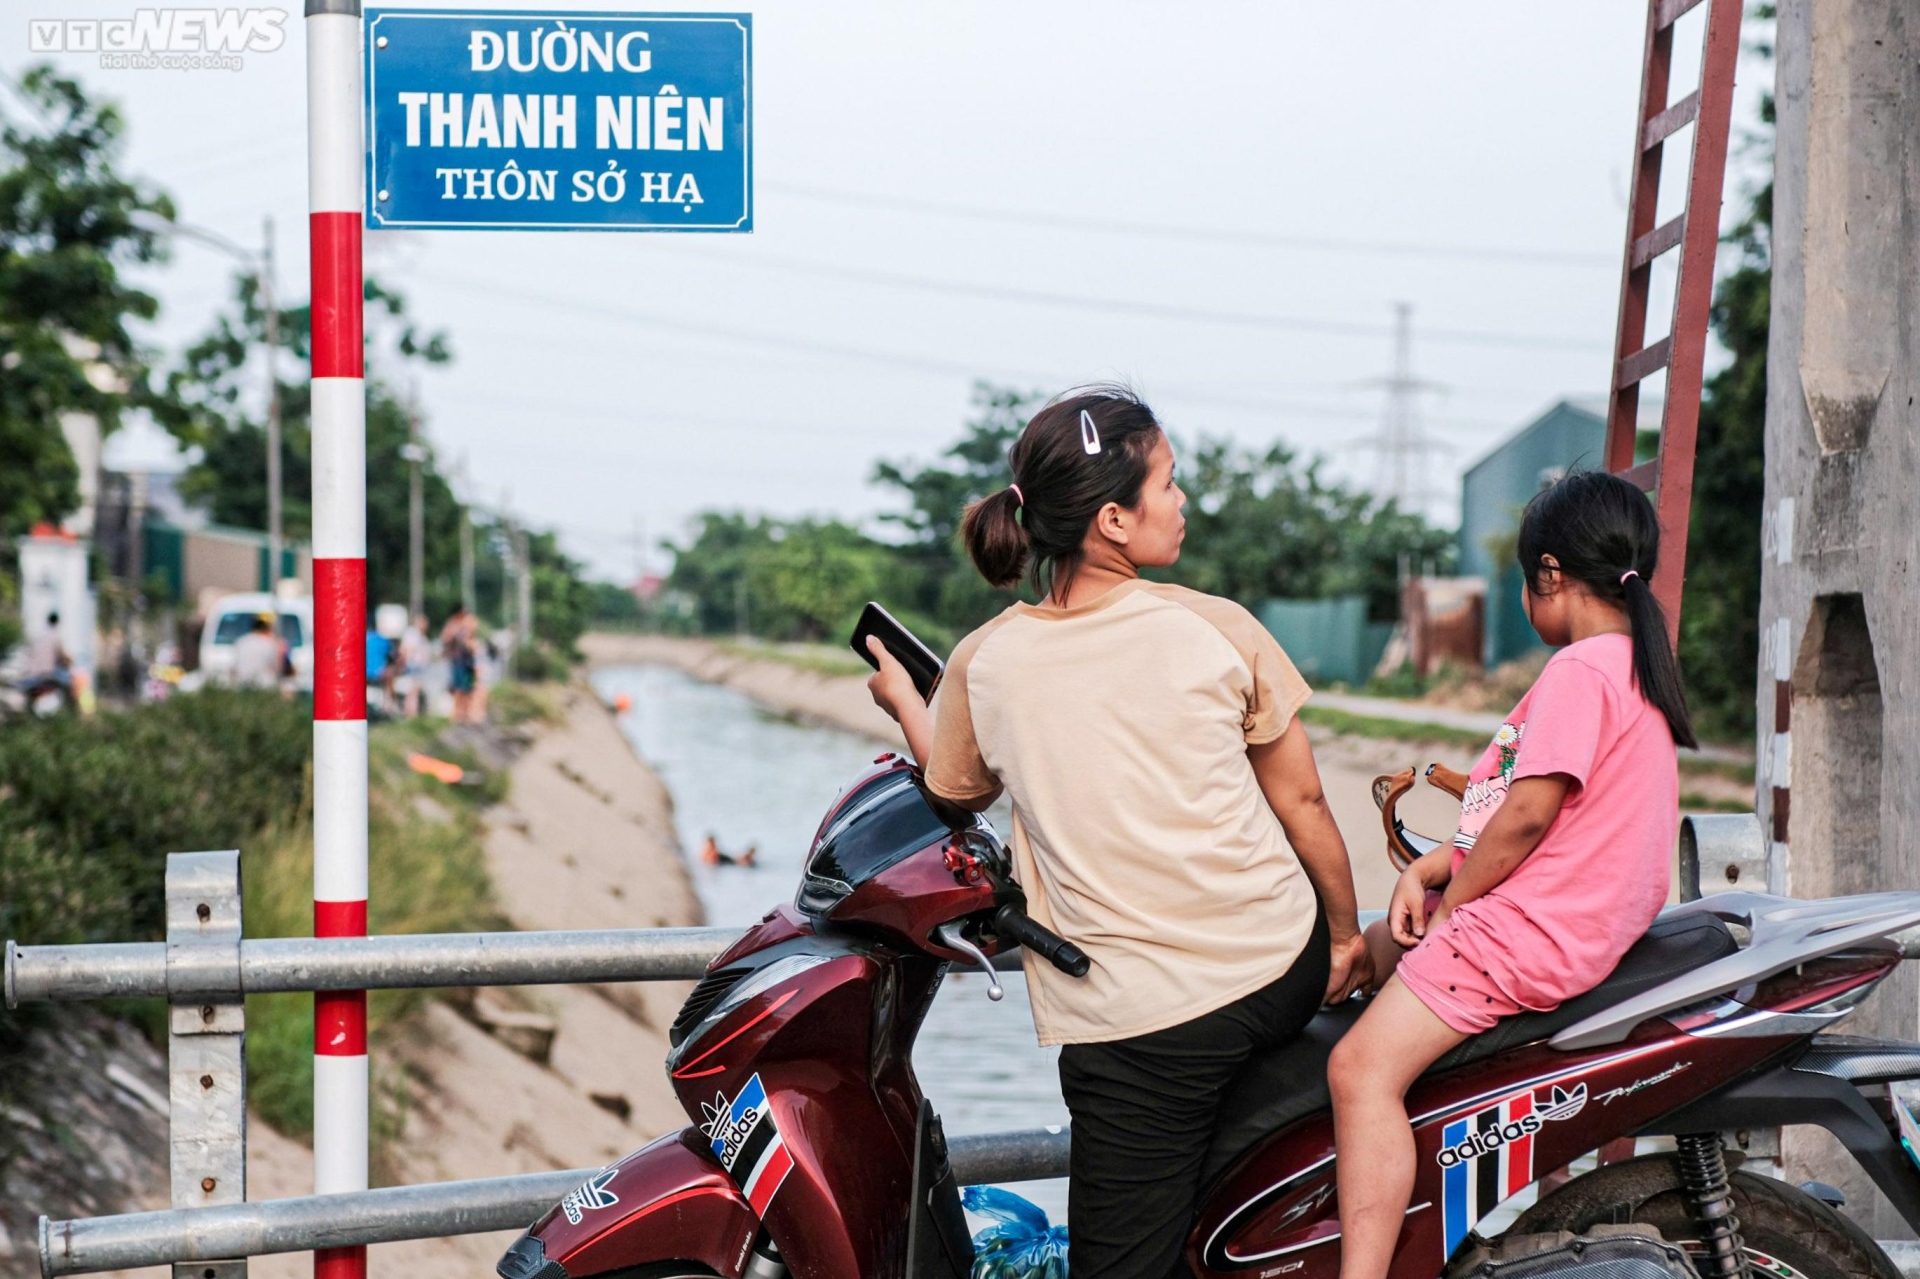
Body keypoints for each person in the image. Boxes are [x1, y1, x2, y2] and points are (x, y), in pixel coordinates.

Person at [865, 385, 1371, 1279]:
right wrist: (1339, 938)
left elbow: (956, 790)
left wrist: (910, 701)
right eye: (1170, 485)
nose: (1183, 503)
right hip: (1277, 961)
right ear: (1112, 520)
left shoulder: (986, 662)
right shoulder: (1219, 628)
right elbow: (1306, 809)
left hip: (1142, 1025)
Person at [1326, 470, 1698, 1279]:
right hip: (1574, 923)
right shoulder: (1632, 667)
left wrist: (1454, 903)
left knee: (1357, 1070)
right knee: (1369, 951)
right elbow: (1529, 819)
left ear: (1552, 575)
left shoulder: (1579, 670)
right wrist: (1433, 871)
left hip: (1528, 932)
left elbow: (1528, 815)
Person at [443, 607, 478, 722]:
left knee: (467, 689)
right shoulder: (454, 628)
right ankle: (458, 713)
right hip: (459, 662)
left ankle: (465, 713)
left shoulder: (468, 634)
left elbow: (472, 648)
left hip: (467, 664)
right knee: (458, 689)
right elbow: (446, 638)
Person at [231, 614, 282, 690]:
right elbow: (277, 668)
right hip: (263, 687)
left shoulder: (241, 642)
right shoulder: (270, 644)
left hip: (242, 685)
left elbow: (234, 668)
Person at [397, 614, 431, 718]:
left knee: (414, 690)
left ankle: (411, 711)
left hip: (417, 665)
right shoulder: (413, 634)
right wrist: (402, 662)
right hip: (413, 665)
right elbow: (405, 649)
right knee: (413, 690)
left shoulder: (419, 635)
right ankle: (411, 712)